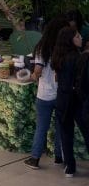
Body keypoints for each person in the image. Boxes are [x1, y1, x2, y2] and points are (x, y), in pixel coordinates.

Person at [25, 16, 67, 169]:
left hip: (44, 95)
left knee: (41, 127)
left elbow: (37, 72)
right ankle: (58, 157)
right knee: (60, 127)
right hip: (61, 94)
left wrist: (30, 77)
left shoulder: (42, 48)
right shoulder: (64, 48)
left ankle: (35, 158)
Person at [52, 27, 88, 177]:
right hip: (77, 100)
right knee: (87, 132)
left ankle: (70, 167)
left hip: (62, 99)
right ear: (70, 40)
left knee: (66, 134)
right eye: (78, 36)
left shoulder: (58, 56)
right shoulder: (78, 57)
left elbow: (58, 79)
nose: (81, 38)